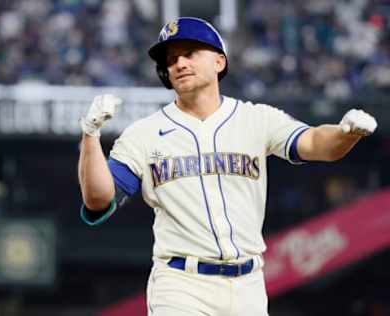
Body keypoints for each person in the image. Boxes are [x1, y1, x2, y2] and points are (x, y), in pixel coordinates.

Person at [77, 17, 377, 316]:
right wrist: (90, 136)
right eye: (171, 59)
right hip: (182, 284)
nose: (179, 63)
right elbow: (99, 198)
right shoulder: (143, 133)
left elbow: (315, 143)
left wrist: (344, 134)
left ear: (219, 61)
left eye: (190, 53)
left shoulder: (256, 119)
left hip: (248, 284)